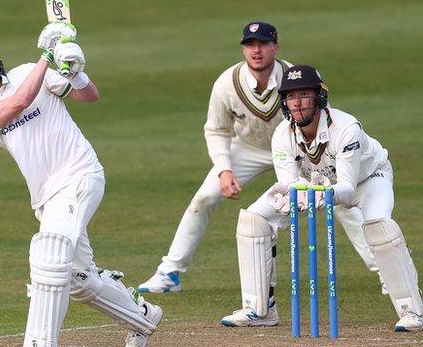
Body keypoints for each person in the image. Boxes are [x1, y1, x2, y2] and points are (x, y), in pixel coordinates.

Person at [0, 24, 162, 347]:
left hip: (79, 175)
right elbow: (18, 104)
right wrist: (47, 57)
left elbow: (89, 96)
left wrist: (76, 74)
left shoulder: (28, 72)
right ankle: (143, 317)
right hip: (47, 196)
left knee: (49, 256)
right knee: (79, 281)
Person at [138, 21, 380, 295]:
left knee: (339, 204)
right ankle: (170, 271)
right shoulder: (226, 84)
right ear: (243, 50)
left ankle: (385, 272)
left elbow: (320, 115)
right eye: (250, 45)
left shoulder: (295, 78)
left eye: (263, 44)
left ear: (275, 47)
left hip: (298, 150)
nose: (256, 50)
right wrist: (224, 169)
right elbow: (216, 130)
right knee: (203, 198)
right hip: (248, 149)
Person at [221, 64, 423, 331]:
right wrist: (297, 194)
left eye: (304, 95)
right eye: (291, 97)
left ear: (320, 97)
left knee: (378, 227)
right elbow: (288, 183)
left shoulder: (347, 127)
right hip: (316, 186)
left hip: (368, 179)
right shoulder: (283, 134)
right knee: (254, 219)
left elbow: (348, 188)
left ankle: (414, 312)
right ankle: (259, 309)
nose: (298, 103)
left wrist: (312, 195)